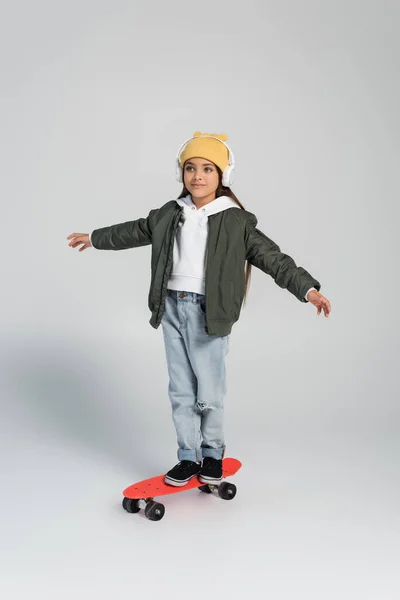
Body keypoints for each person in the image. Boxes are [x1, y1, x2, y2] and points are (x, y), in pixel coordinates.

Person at [67, 131, 331, 488]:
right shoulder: (169, 213)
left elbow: (274, 259)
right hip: (172, 308)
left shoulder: (235, 219)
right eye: (190, 168)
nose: (198, 176)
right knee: (180, 391)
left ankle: (212, 454)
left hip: (210, 314)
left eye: (208, 168)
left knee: (208, 391)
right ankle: (188, 457)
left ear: (223, 176)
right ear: (182, 174)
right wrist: (95, 238)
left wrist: (308, 290)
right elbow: (133, 231)